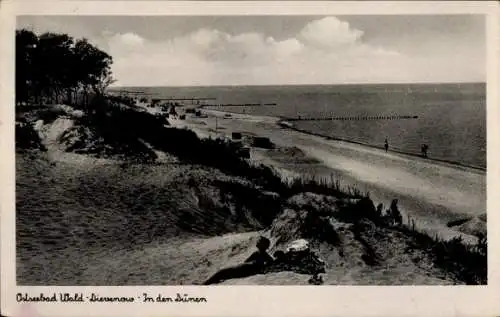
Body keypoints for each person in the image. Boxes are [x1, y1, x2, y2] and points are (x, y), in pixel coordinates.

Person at [203, 236, 274, 285]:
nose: (257, 242)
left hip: (243, 270)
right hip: (242, 269)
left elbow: (271, 264)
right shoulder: (258, 253)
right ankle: (205, 284)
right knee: (221, 273)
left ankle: (204, 284)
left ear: (263, 245)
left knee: (221, 273)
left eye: (259, 241)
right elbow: (246, 261)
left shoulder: (264, 255)